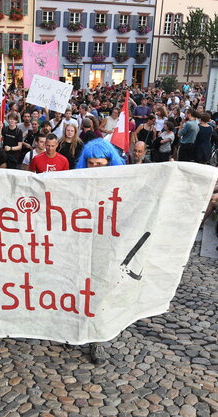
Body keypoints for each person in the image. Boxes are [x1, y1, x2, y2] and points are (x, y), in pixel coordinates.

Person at [72, 138, 126, 364]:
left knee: (100, 291)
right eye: (90, 164)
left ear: (109, 162)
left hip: (106, 247)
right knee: (77, 287)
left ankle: (97, 340)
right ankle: (74, 329)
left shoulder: (122, 184)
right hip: (81, 244)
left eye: (99, 164)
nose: (94, 169)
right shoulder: (76, 181)